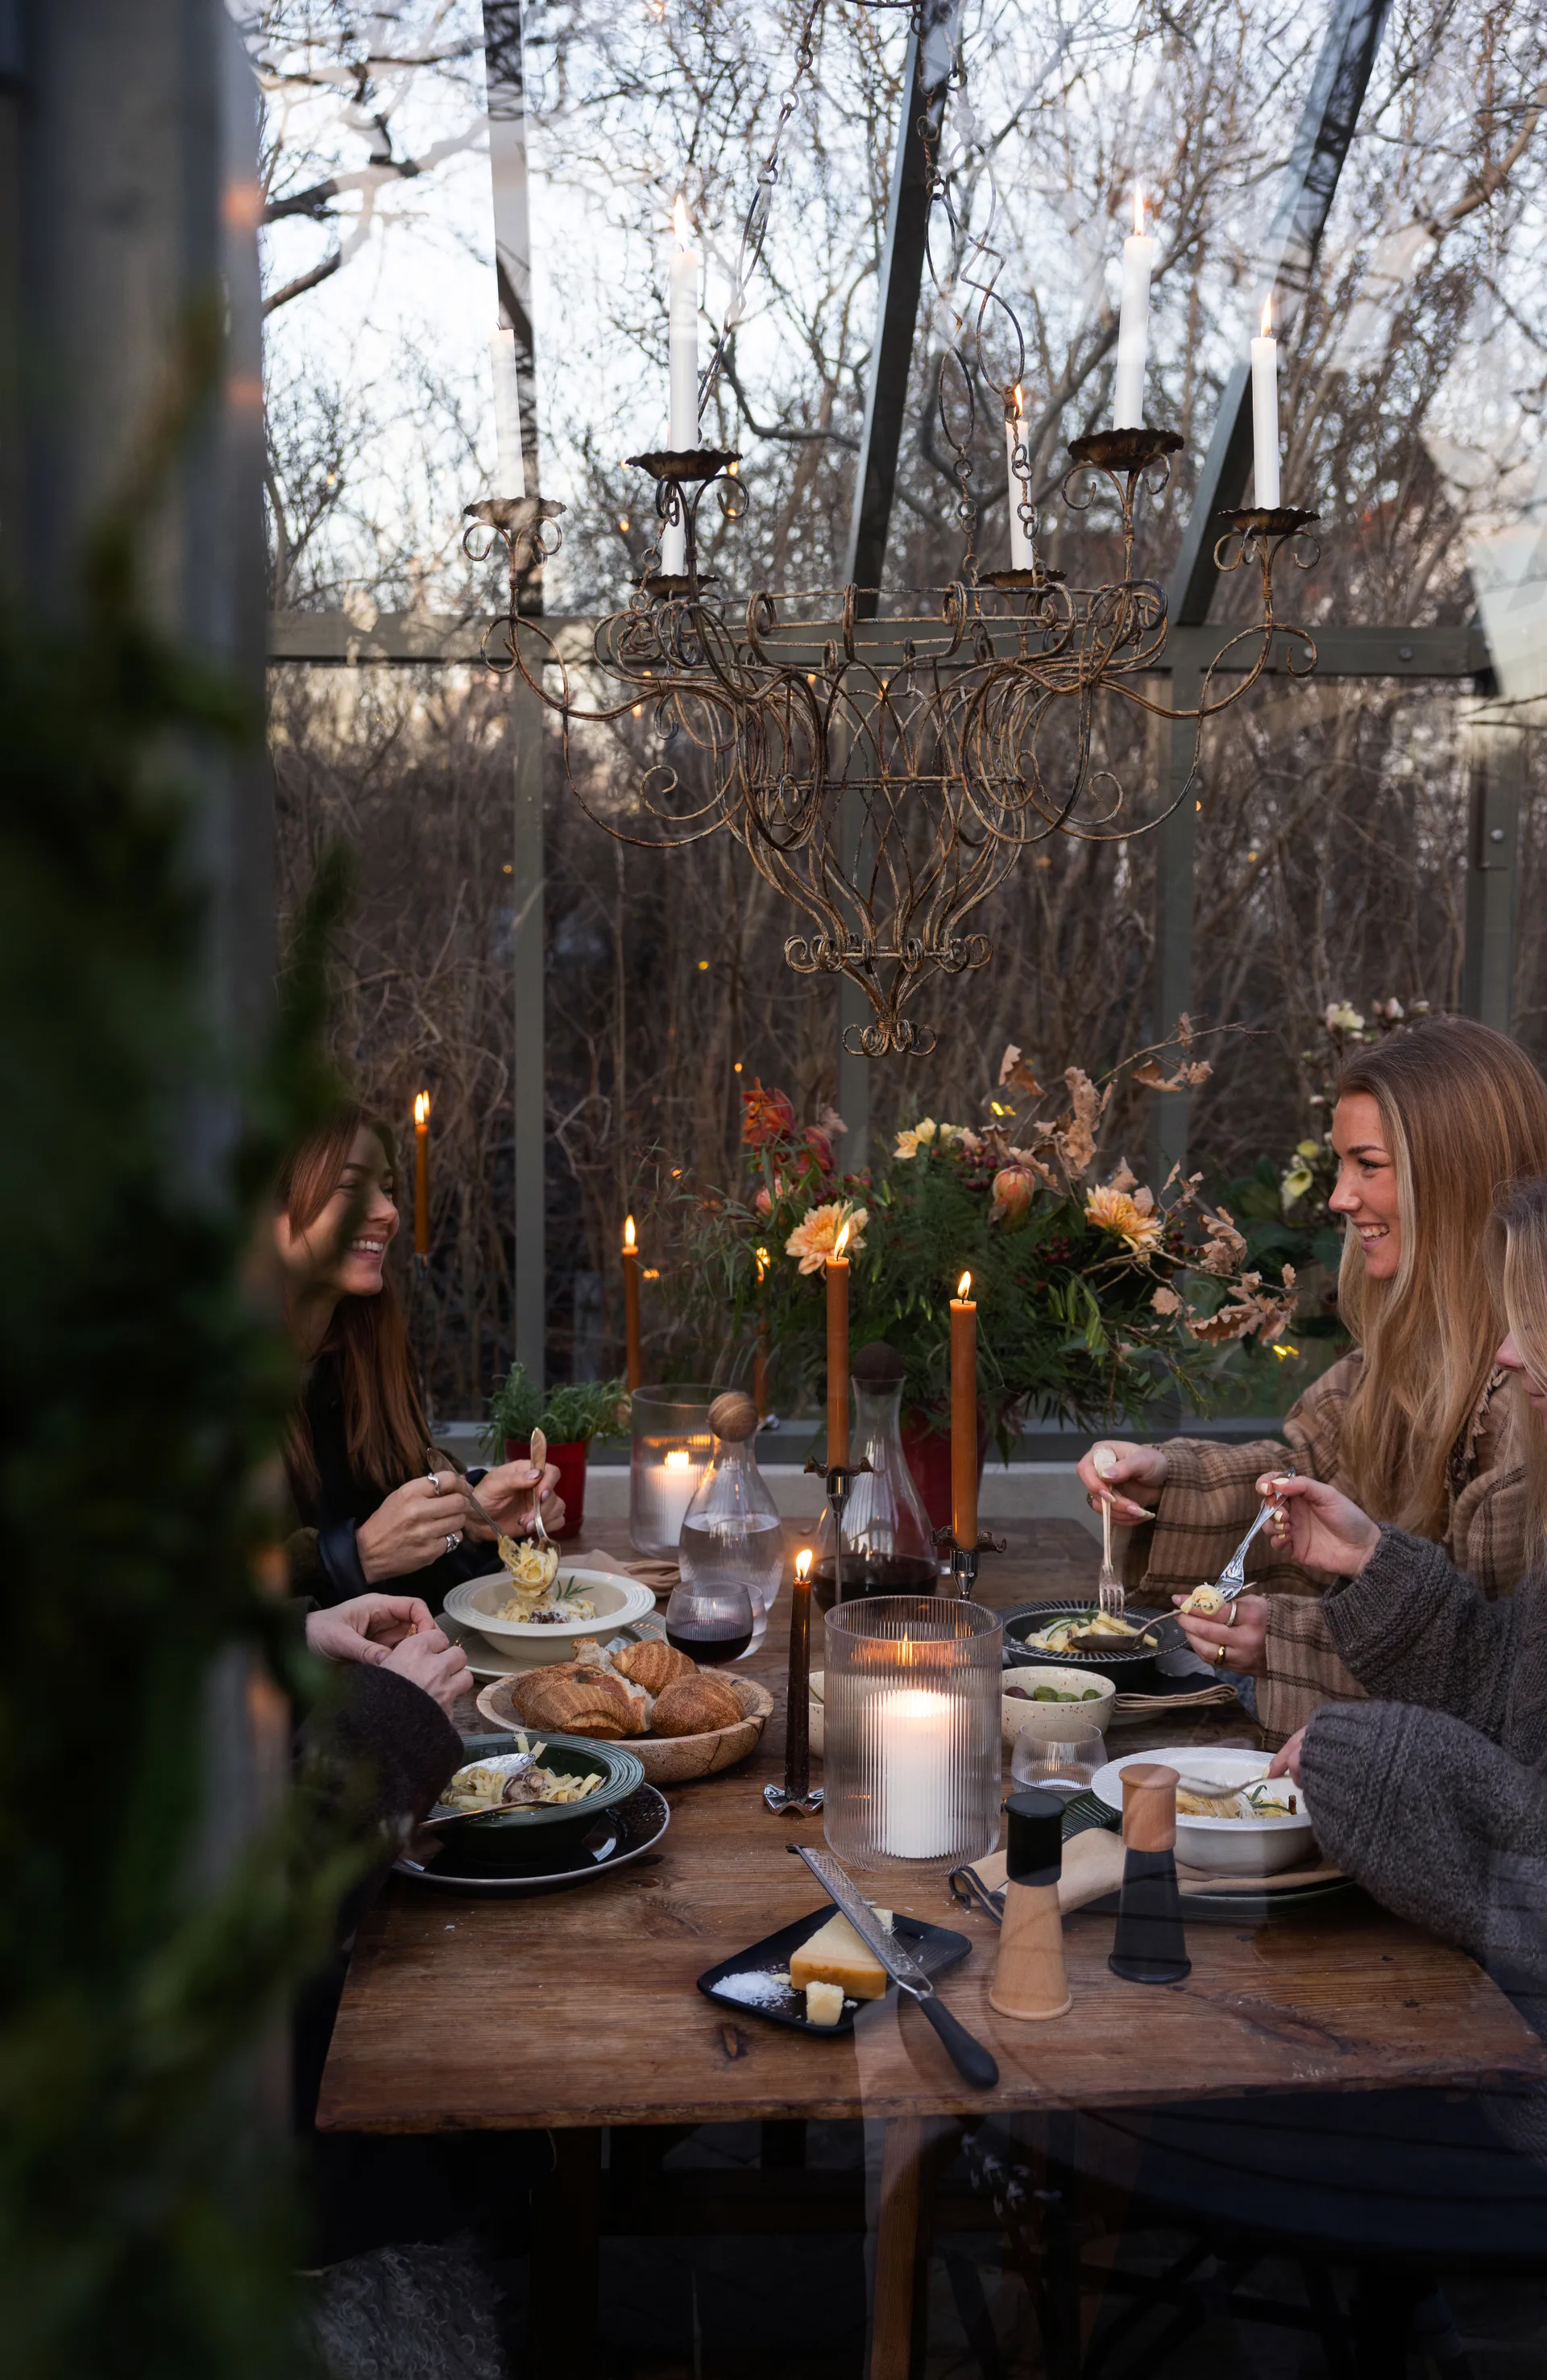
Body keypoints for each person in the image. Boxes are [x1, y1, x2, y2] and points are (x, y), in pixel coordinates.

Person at [1076, 1018, 1547, 1741]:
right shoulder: (1406, 1352)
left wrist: (1289, 1643)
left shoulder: (1530, 1405)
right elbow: (1307, 1474)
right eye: (1339, 1164)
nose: (1338, 1197)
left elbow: (1496, 1680)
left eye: (1369, 1164)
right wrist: (1163, 1480)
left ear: (1452, 1176)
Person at [1218, 1178, 1547, 2144]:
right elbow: (1509, 1699)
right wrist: (1373, 1561)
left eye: (1533, 1321)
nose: (1507, 1351)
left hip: (1506, 2099)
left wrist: (1375, 1761)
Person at [275, 1103, 563, 1609]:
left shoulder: (364, 1351)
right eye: (349, 1186)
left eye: (386, 1188)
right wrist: (357, 1556)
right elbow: (204, 1618)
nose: (389, 1213)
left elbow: (398, 1493)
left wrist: (473, 1514)